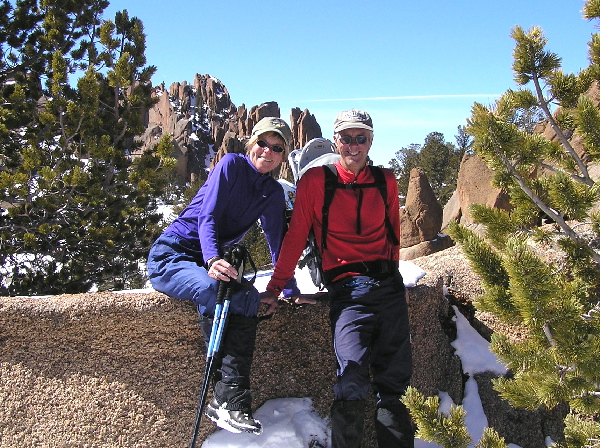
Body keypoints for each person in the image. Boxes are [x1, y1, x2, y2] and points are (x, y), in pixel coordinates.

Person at [261, 109, 414, 447]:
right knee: (351, 378)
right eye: (346, 138)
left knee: (395, 386)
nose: (353, 146)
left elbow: (393, 236)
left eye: (361, 138)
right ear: (336, 141)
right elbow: (295, 236)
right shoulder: (316, 181)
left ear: (370, 141)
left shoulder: (386, 180)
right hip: (348, 292)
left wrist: (397, 279)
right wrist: (275, 287)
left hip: (388, 289)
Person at [147, 116, 299, 435]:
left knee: (249, 298)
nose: (268, 151)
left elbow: (277, 242)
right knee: (212, 290)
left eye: (277, 148)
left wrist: (287, 289)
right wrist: (213, 258)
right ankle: (223, 396)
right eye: (263, 143)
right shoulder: (231, 164)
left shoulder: (272, 192)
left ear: (283, 155)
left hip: (206, 261)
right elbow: (209, 215)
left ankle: (232, 400)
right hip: (172, 255)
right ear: (251, 144)